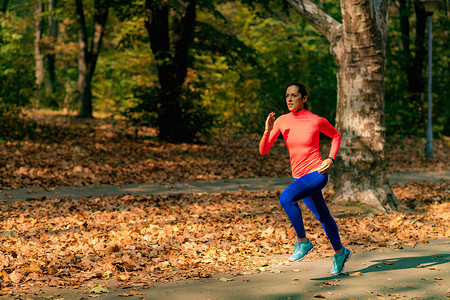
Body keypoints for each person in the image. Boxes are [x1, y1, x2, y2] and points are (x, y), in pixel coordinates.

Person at [259, 82, 351, 275]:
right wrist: (267, 130)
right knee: (323, 216)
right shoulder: (282, 121)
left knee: (286, 198)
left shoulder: (315, 120)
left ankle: (303, 242)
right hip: (299, 177)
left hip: (317, 173)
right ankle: (340, 252)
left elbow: (335, 135)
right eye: (287, 96)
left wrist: (331, 158)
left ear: (304, 98)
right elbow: (263, 150)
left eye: (294, 95)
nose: (289, 99)